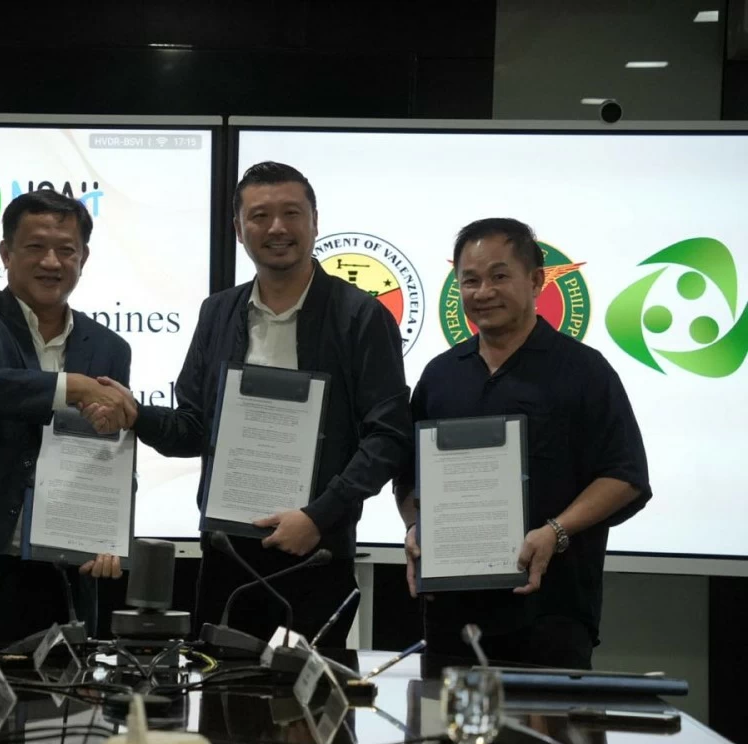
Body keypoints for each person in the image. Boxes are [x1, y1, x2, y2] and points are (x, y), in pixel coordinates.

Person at [85, 162, 413, 646]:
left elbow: (388, 436)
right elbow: (195, 427)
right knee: (220, 706)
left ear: (315, 221)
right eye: (260, 216)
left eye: (291, 213)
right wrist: (138, 414)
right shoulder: (218, 312)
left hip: (316, 553)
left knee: (310, 714)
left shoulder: (360, 317)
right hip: (227, 557)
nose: (277, 228)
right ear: (239, 229)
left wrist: (318, 516)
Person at [395, 218, 650, 670]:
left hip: (550, 613)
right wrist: (416, 529)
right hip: (451, 617)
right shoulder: (439, 375)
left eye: (499, 276)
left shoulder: (584, 371)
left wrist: (555, 532)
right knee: (445, 739)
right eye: (469, 280)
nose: (483, 291)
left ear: (535, 281)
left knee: (551, 742)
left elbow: (624, 475)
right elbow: (409, 479)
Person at [0, 189, 130, 653]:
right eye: (34, 247)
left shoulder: (111, 348)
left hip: (64, 571)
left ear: (83, 258)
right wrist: (71, 387)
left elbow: (109, 451)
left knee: (59, 718)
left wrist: (111, 533)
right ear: (6, 253)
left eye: (66, 250)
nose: (51, 261)